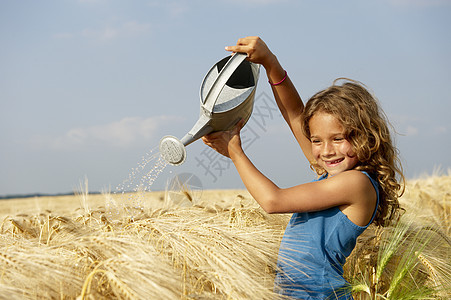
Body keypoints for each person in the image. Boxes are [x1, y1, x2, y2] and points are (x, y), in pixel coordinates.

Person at [202, 36, 405, 299]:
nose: (325, 150)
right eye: (317, 140)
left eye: (339, 138)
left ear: (365, 136)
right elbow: (296, 114)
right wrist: (270, 63)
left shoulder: (357, 183)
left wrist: (235, 152)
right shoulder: (332, 171)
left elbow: (273, 201)